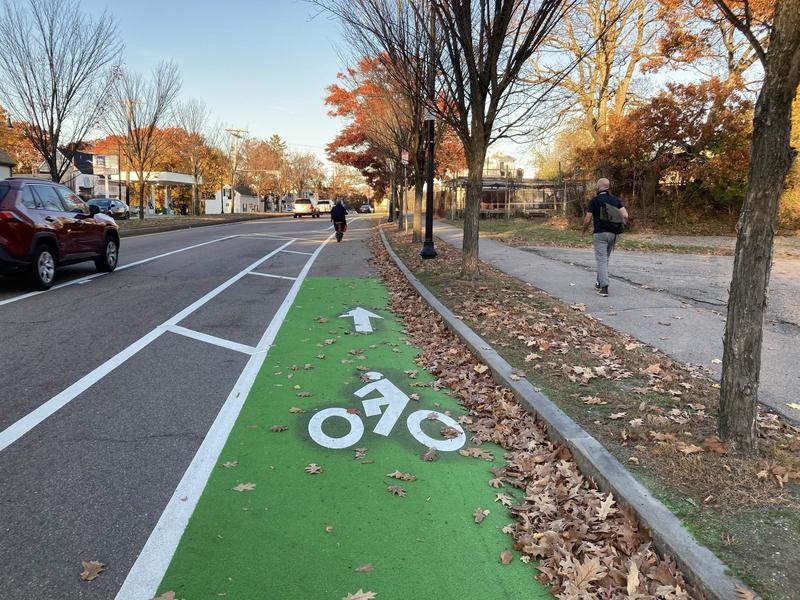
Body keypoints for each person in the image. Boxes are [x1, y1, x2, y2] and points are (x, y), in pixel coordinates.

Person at [582, 178, 628, 297]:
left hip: (600, 234)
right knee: (605, 259)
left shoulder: (595, 200)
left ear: (598, 187)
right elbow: (626, 215)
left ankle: (604, 287)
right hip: (613, 234)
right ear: (607, 187)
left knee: (601, 259)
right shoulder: (615, 199)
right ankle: (599, 282)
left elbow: (587, 219)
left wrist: (584, 230)